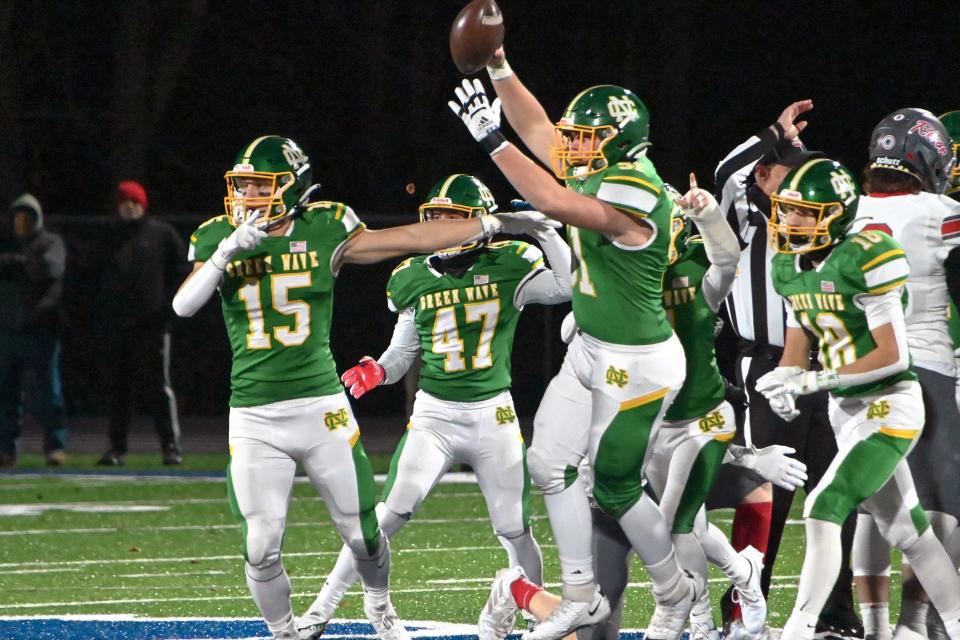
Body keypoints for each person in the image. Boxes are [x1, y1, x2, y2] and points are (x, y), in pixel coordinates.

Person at [171, 135, 557, 640]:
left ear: (292, 188)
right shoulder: (217, 235)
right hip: (254, 413)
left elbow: (406, 240)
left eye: (259, 185)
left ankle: (380, 608)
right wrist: (223, 254)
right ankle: (285, 631)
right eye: (241, 184)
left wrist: (498, 223)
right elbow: (183, 306)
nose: (247, 195)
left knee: (365, 533)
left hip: (321, 406)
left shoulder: (327, 227)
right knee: (260, 544)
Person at [448, 48, 701, 640]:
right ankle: (582, 594)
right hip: (590, 346)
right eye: (577, 137)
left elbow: (555, 201)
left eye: (589, 138)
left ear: (622, 142)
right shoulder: (602, 167)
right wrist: (501, 67)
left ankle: (674, 588)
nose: (574, 147)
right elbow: (540, 131)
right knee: (548, 465)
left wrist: (492, 142)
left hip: (638, 364)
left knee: (614, 487)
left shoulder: (638, 189)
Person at [297, 174, 571, 635]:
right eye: (435, 217)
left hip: (493, 413)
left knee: (514, 528)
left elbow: (568, 286)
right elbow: (403, 353)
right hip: (435, 415)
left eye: (452, 218)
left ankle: (537, 620)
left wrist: (545, 231)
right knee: (386, 515)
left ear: (478, 223)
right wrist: (379, 370)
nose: (441, 227)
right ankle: (322, 607)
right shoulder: (410, 276)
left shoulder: (511, 261)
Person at [755, 157, 960, 640]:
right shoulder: (788, 264)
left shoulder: (867, 256)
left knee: (825, 504)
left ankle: (799, 628)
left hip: (890, 403)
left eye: (805, 212)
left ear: (837, 214)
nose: (790, 221)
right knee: (908, 532)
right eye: (787, 210)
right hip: (846, 410)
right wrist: (786, 382)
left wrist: (815, 381)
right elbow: (799, 344)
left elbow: (892, 356)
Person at [710, 101, 861, 639]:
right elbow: (725, 175)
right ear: (764, 172)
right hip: (768, 367)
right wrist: (769, 132)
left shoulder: (824, 224)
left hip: (829, 367)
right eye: (789, 171)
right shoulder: (737, 218)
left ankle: (837, 617)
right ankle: (742, 611)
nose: (802, 186)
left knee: (834, 494)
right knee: (765, 490)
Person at [849, 109, 960, 640]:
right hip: (925, 367)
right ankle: (915, 623)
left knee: (876, 498)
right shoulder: (941, 212)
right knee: (942, 501)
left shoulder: (847, 211)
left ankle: (873, 626)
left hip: (858, 373)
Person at [97, 180, 188, 466]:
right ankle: (116, 448)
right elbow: (95, 276)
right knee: (117, 389)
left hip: (153, 325)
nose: (129, 207)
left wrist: (169, 309)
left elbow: (183, 271)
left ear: (143, 204)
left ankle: (170, 447)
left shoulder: (161, 234)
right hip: (118, 326)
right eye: (124, 202)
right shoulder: (110, 237)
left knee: (159, 387)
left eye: (134, 202)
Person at [0, 193, 68, 466]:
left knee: (47, 392)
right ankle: (6, 448)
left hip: (41, 329)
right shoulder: (6, 243)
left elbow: (50, 268)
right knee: (6, 394)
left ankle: (55, 446)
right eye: (16, 216)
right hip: (8, 330)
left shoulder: (51, 242)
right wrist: (23, 264)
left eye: (26, 216)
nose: (20, 222)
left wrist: (17, 264)